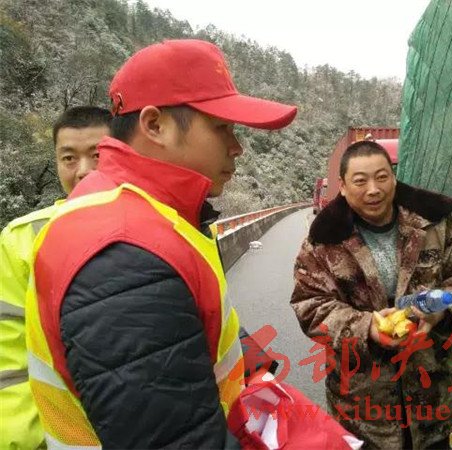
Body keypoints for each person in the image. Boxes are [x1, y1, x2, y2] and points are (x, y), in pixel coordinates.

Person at [25, 39, 297, 448]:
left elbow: (182, 329)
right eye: (221, 127)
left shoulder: (145, 214)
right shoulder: (122, 252)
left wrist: (254, 368)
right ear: (154, 125)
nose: (237, 147)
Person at [290, 141, 452, 449]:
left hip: (432, 397)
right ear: (342, 186)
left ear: (394, 179)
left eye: (382, 177)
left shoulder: (435, 224)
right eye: (360, 181)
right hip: (363, 410)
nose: (373, 189)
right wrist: (365, 327)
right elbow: (310, 305)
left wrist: (443, 310)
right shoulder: (324, 241)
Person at [0, 106, 111, 449]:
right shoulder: (23, 239)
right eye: (69, 158)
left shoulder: (161, 223)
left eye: (97, 155)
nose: (84, 171)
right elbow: (8, 360)